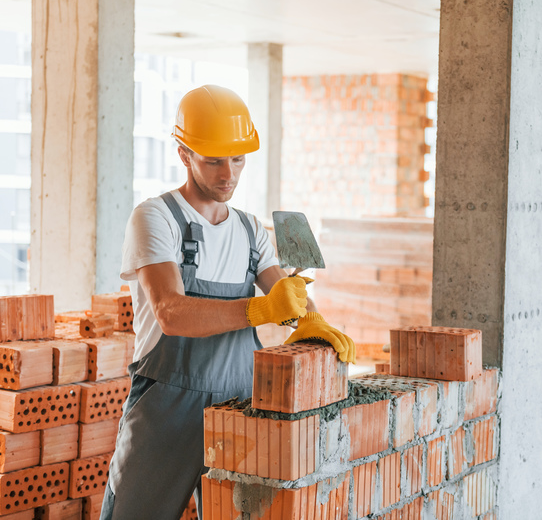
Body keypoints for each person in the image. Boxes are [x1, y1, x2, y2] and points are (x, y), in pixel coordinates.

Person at [101, 85, 355, 519]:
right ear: (184, 154)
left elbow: (285, 294)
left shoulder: (252, 232)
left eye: (237, 159)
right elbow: (171, 313)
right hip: (167, 406)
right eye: (214, 160)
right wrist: (261, 309)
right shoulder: (155, 218)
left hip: (239, 404)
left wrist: (312, 320)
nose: (228, 175)